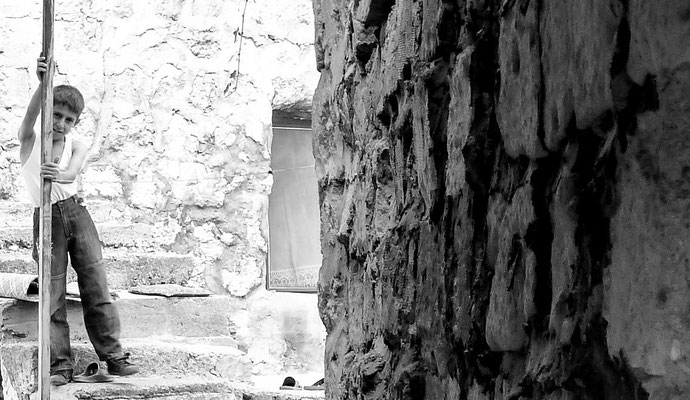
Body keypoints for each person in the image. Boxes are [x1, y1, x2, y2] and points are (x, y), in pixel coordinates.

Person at [18, 56, 138, 386]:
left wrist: (60, 172)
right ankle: (60, 366)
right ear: (47, 111)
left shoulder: (77, 144)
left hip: (76, 214)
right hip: (47, 220)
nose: (61, 123)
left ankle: (113, 357)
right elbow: (30, 118)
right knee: (53, 294)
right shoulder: (30, 141)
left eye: (69, 119)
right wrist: (44, 83)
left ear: (76, 123)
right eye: (56, 114)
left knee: (96, 284)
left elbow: (71, 174)